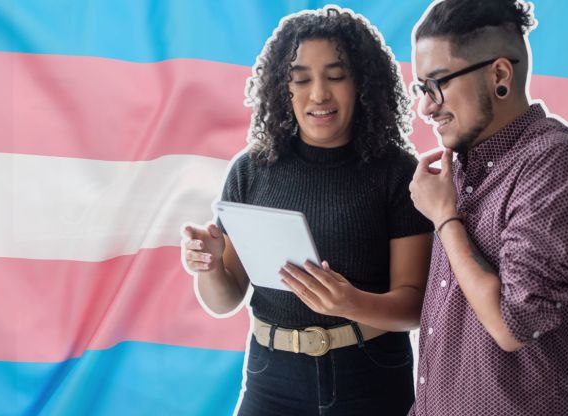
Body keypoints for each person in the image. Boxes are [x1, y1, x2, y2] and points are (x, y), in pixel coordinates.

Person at [181, 6, 433, 416]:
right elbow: (225, 300)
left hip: (370, 377)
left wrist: (350, 302)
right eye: (301, 79)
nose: (318, 94)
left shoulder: (398, 173)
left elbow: (416, 305)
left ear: (362, 83)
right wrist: (209, 267)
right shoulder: (250, 171)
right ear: (284, 88)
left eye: (335, 76)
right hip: (271, 378)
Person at [407, 1, 568, 415]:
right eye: (420, 89)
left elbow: (512, 323)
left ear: (499, 76)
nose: (426, 107)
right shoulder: (458, 171)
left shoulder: (559, 166)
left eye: (437, 84)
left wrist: (446, 219)